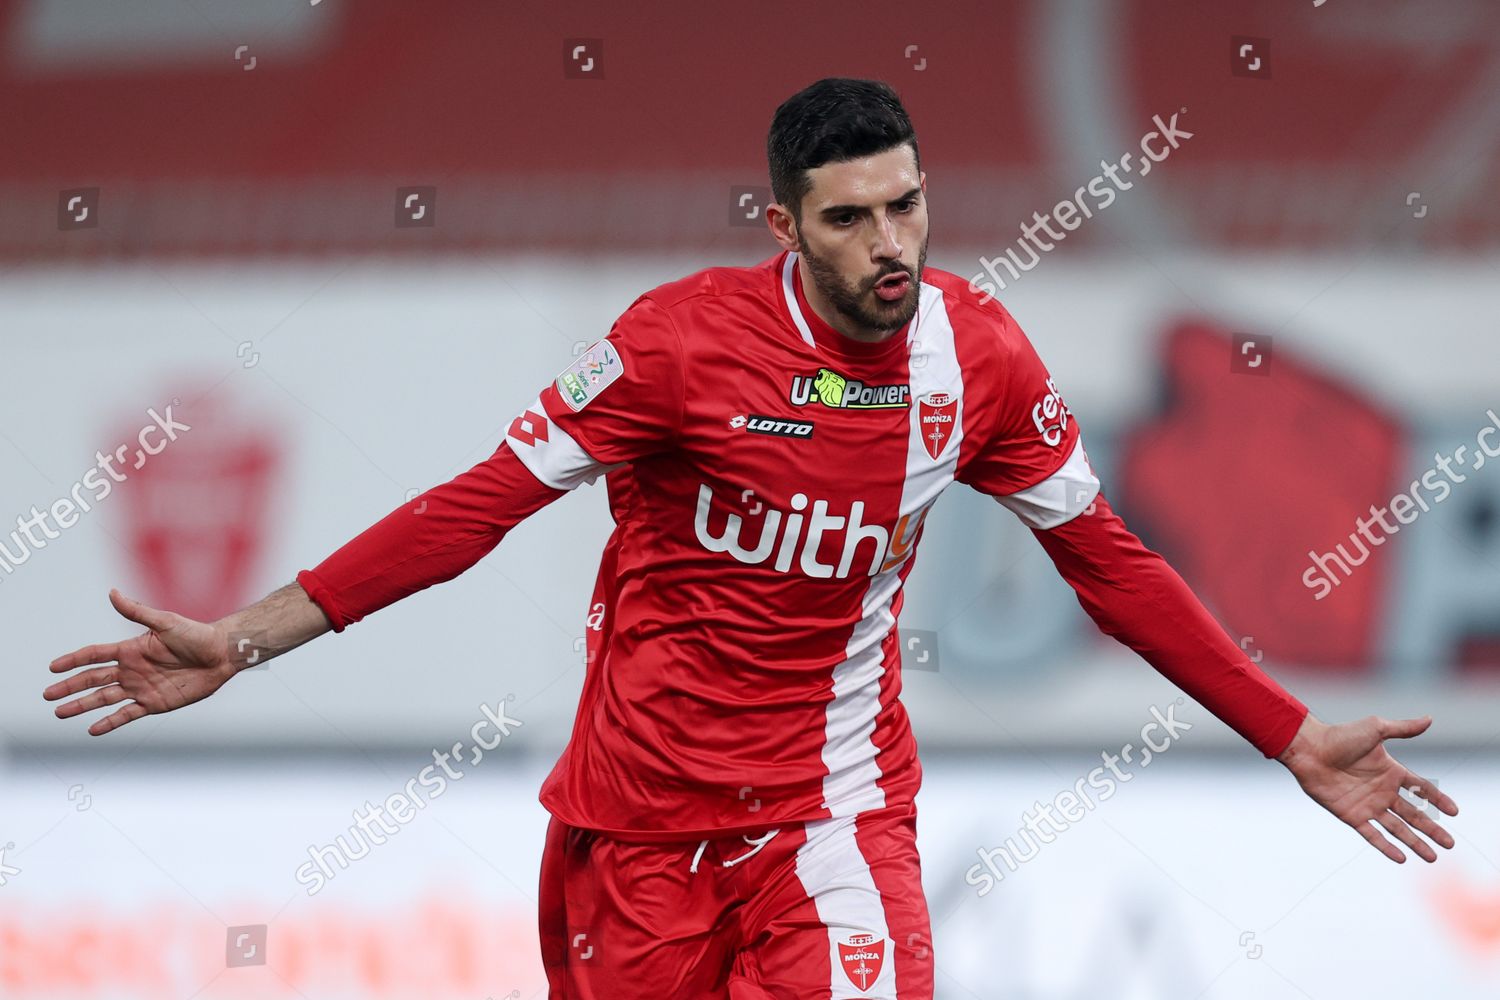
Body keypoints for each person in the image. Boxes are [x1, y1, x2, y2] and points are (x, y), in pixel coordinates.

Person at [44, 78, 1458, 999]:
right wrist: (244, 637)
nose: (889, 243)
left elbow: (1110, 562)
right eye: (849, 219)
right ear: (783, 226)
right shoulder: (675, 348)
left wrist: (1285, 731)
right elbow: (476, 508)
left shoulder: (982, 364)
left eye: (907, 204)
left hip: (830, 819)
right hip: (635, 833)